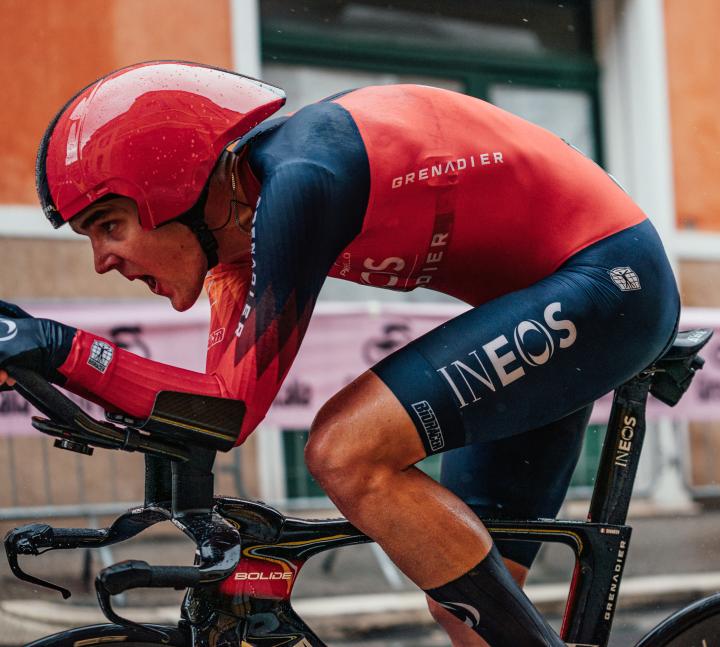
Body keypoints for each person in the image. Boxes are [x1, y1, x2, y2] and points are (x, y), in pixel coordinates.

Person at [0, 61, 680, 646]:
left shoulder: (301, 179)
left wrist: (59, 348)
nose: (101, 262)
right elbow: (209, 410)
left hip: (612, 280)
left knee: (344, 449)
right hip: (555, 296)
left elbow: (231, 410)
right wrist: (40, 360)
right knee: (460, 604)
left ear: (170, 188)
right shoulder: (236, 254)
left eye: (109, 225)